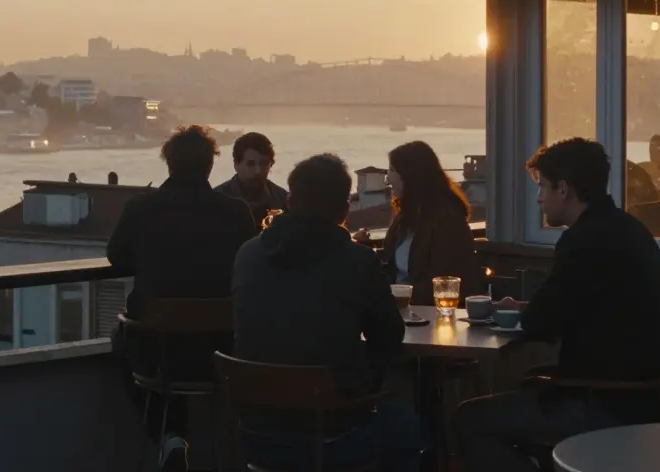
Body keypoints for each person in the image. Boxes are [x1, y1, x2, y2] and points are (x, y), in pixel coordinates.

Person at [454, 138, 660, 472]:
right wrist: (530, 309)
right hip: (644, 397)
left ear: (564, 189)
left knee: (468, 419)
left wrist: (519, 311)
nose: (539, 196)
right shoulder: (627, 229)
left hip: (605, 404)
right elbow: (576, 305)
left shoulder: (584, 242)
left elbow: (542, 322)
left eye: (543, 186)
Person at [232, 153, 426, 472]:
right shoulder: (357, 262)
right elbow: (390, 340)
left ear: (291, 200)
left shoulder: (248, 254)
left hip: (253, 433)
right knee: (409, 428)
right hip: (331, 433)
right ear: (345, 210)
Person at [107, 125, 255, 472]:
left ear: (169, 164)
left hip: (156, 354)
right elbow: (248, 264)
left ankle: (169, 435)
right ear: (209, 166)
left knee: (121, 338)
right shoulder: (236, 212)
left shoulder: (141, 208)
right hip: (222, 355)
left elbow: (117, 256)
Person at [380, 141, 479, 305]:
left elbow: (441, 280)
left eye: (392, 170)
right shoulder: (406, 216)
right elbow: (389, 264)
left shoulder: (447, 220)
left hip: (430, 315)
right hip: (402, 310)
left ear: (410, 175)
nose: (388, 179)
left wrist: (395, 296)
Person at [215, 131, 289, 228]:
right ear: (236, 164)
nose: (258, 171)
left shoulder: (282, 199)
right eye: (250, 164)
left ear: (271, 164)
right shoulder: (217, 201)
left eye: (264, 163)